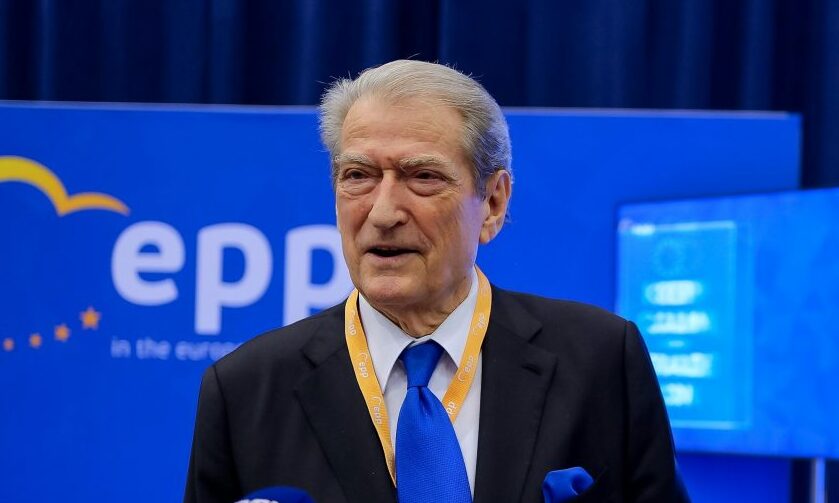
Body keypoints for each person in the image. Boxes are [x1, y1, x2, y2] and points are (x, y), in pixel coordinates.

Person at [184, 59, 690, 503]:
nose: (383, 213)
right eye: (358, 175)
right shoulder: (245, 389)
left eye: (422, 177)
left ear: (493, 203)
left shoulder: (601, 359)